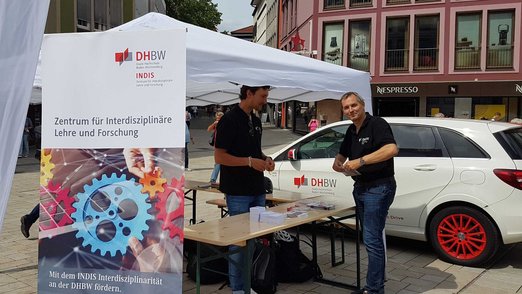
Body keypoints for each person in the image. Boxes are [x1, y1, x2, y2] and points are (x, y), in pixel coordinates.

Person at [332, 92, 398, 294]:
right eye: (346, 107)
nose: (351, 110)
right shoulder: (351, 130)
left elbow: (392, 149)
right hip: (360, 187)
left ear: (362, 105)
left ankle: (374, 289)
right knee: (370, 238)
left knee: (372, 239)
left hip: (378, 187)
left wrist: (361, 161)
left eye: (354, 105)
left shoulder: (377, 124)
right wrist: (338, 162)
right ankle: (374, 286)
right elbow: (342, 153)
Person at [214, 85, 275, 294]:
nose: (265, 100)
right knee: (239, 241)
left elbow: (254, 151)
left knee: (252, 239)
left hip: (257, 188)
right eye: (262, 96)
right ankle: (238, 288)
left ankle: (247, 284)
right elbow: (219, 157)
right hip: (238, 191)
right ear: (249, 94)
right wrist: (249, 162)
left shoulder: (256, 120)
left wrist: (264, 158)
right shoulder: (229, 119)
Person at [208, 111, 224, 187]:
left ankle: (213, 179)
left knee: (219, 163)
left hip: (224, 147)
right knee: (218, 163)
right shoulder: (216, 124)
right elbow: (208, 130)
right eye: (217, 118)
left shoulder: (226, 124)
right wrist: (214, 124)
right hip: (217, 147)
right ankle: (213, 179)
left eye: (219, 118)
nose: (218, 120)